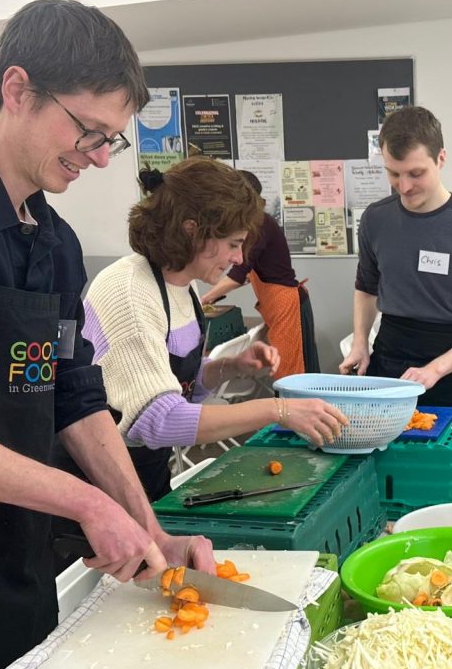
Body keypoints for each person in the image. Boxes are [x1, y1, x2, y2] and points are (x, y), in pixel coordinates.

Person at [0, 0, 217, 669]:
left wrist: (151, 531)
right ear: (18, 90)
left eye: (111, 139)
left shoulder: (55, 240)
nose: (101, 157)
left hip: (20, 562)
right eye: (89, 132)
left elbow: (75, 397)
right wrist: (85, 504)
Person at [81, 157, 348, 501]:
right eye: (234, 243)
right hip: (101, 484)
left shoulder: (185, 287)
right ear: (192, 229)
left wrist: (229, 366)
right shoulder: (129, 291)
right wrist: (278, 410)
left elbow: (180, 386)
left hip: (147, 473)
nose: (239, 259)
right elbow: (157, 421)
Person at [338, 106, 452, 451]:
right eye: (393, 174)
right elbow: (366, 288)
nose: (404, 186)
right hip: (390, 353)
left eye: (416, 173)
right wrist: (359, 343)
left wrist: (435, 369)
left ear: (441, 158)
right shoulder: (376, 219)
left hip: (451, 364)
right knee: (385, 460)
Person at [200, 169, 320, 375]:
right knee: (287, 371)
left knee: (291, 374)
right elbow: (247, 271)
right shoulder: (255, 223)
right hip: (279, 304)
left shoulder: (258, 224)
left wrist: (205, 298)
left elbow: (239, 274)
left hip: (287, 305)